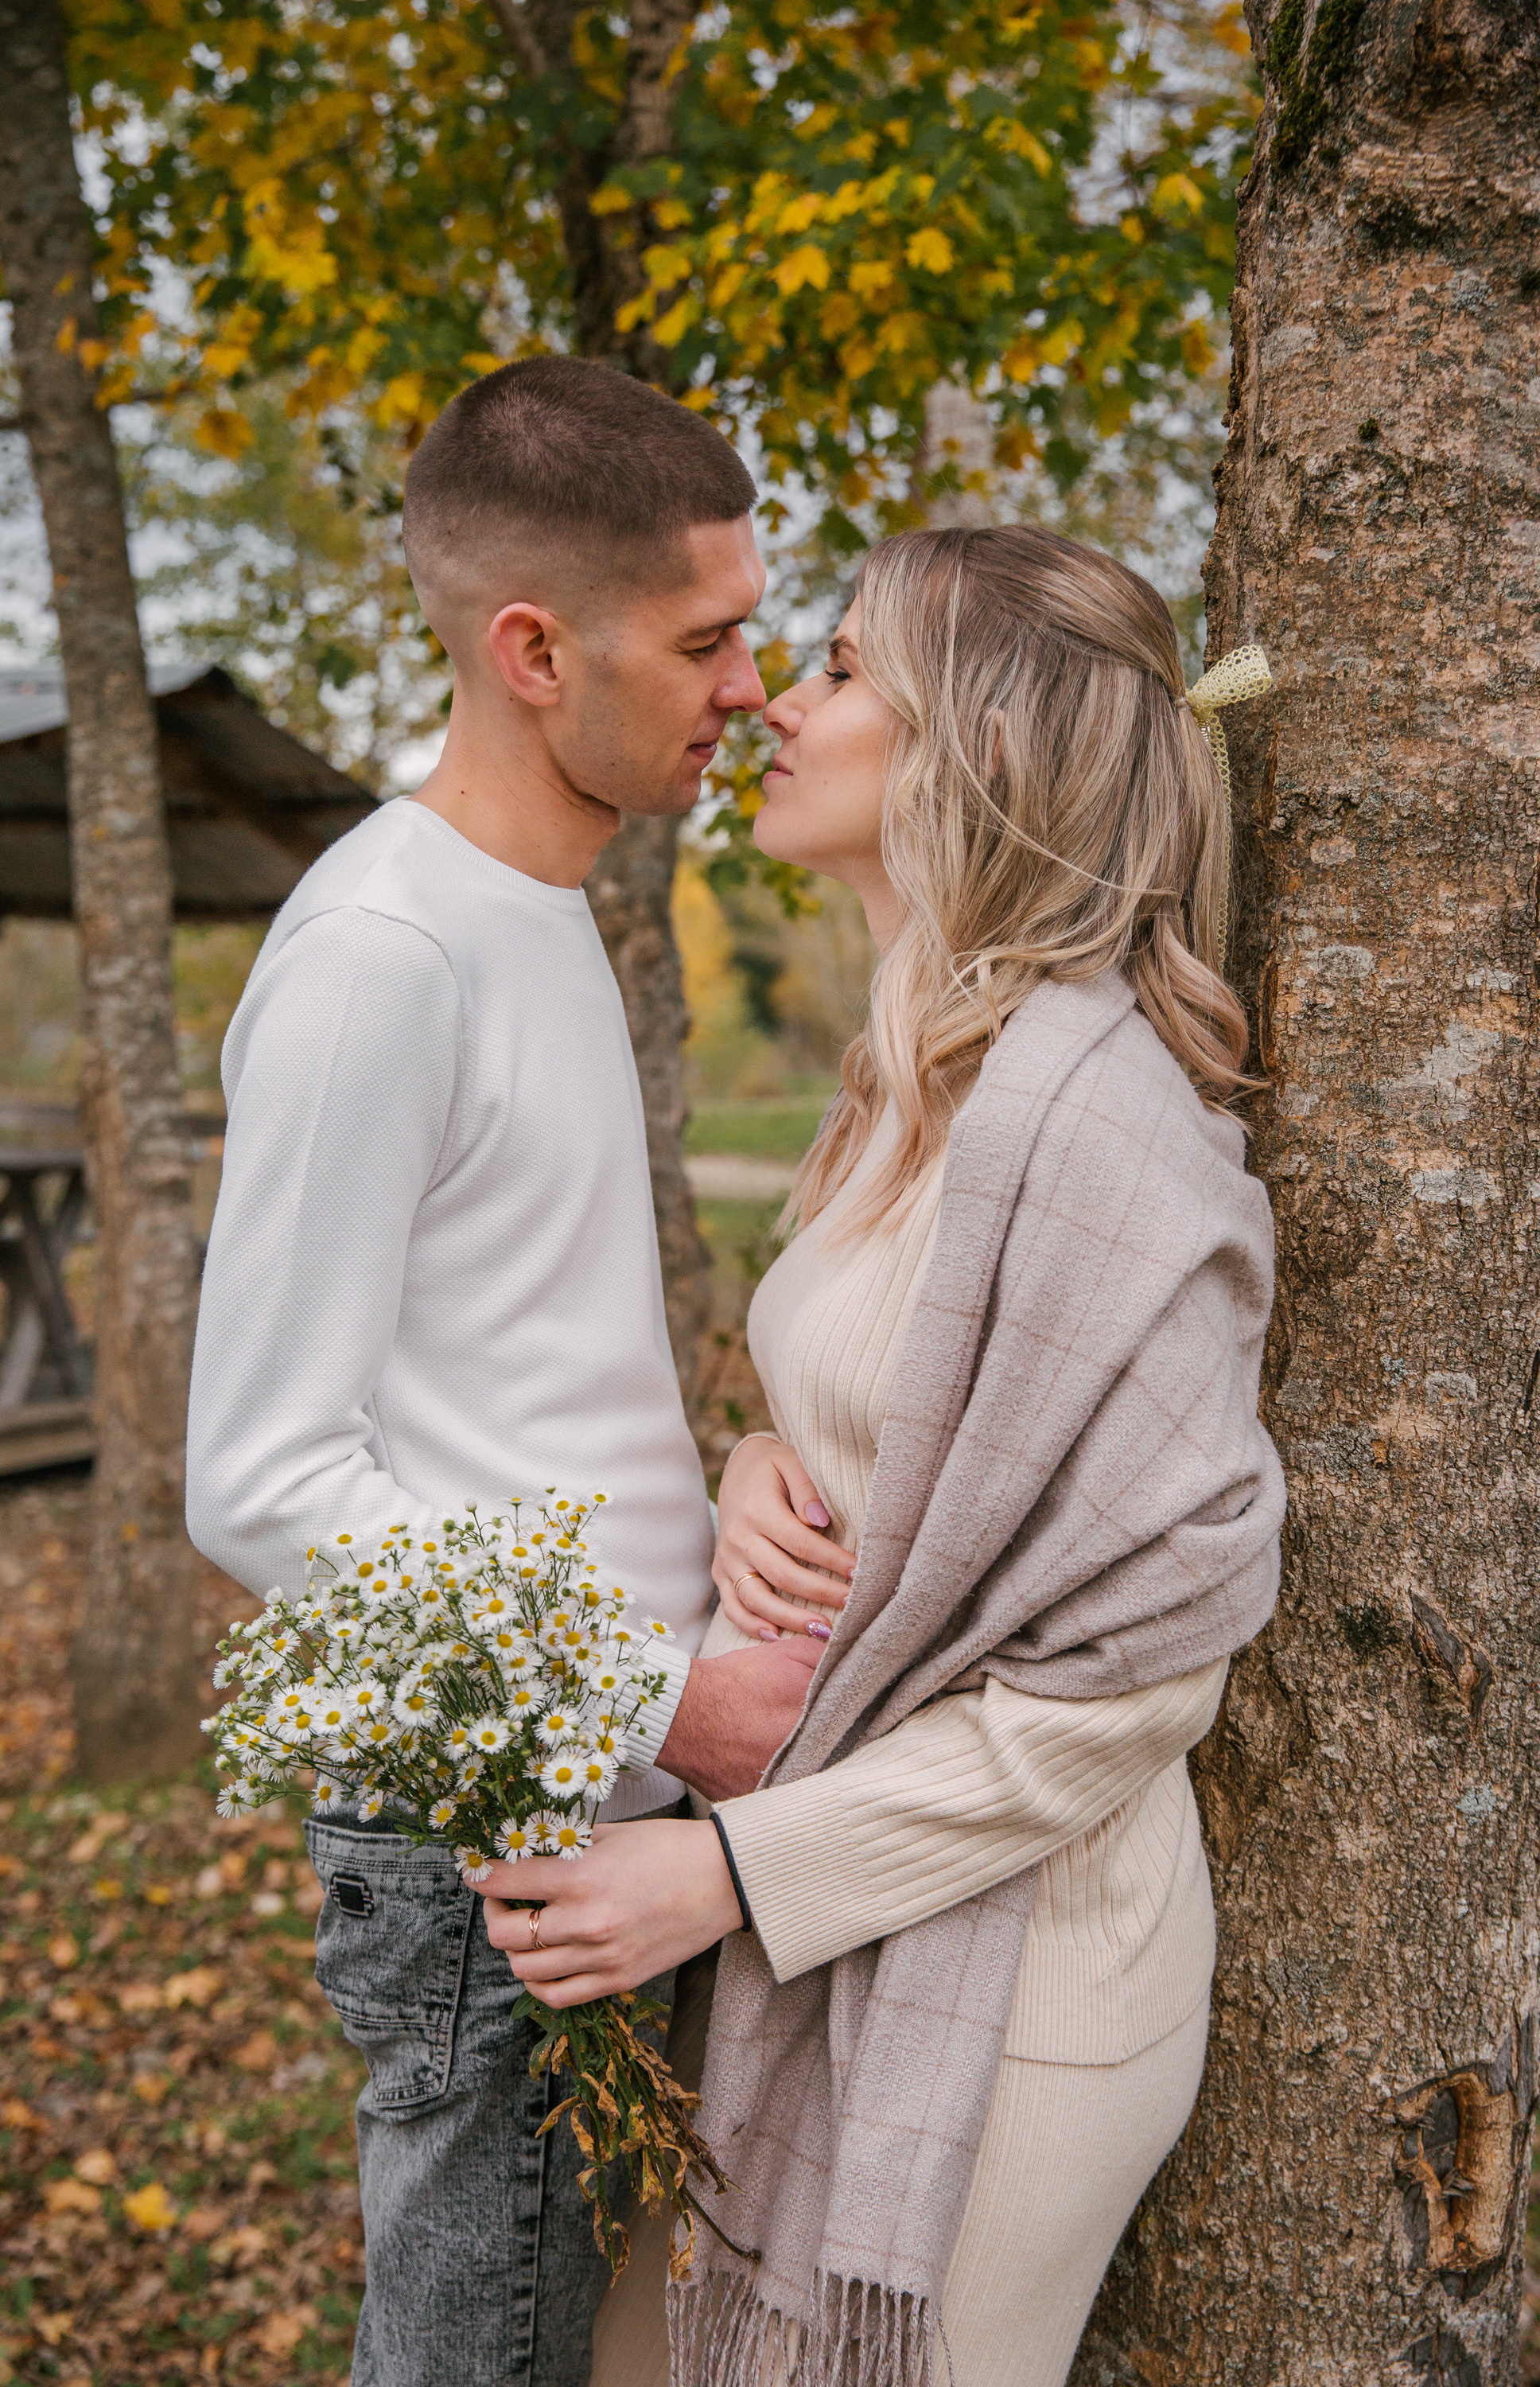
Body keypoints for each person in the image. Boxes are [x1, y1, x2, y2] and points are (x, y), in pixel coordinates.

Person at [484, 525, 1286, 2387]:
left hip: (1013, 1988)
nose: (770, 696)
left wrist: (732, 1875)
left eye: (841, 669)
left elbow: (1134, 1683)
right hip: (832, 1936)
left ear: (975, 755)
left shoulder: (1094, 1131)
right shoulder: (906, 1084)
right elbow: (911, 1437)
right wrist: (767, 1460)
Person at [185, 356, 821, 2387]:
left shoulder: (540, 908)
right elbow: (265, 1478)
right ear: (535, 650)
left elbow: (520, 1368)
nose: (750, 685)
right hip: (489, 1844)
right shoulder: (388, 954)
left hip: (607, 1808)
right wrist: (665, 1697)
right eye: (707, 640)